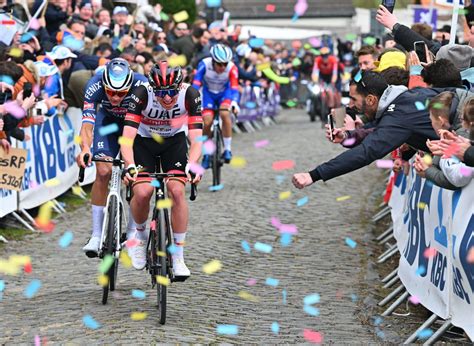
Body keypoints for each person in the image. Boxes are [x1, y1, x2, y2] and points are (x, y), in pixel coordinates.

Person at [292, 71, 443, 189]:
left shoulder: (399, 114)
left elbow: (366, 152)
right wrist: (347, 136)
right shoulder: (403, 99)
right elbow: (376, 128)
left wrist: (313, 175)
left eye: (354, 99)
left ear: (371, 99)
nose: (350, 105)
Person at [121, 61, 203, 277]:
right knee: (143, 191)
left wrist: (193, 165)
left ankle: (178, 256)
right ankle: (139, 236)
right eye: (161, 92)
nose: (167, 98)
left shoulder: (191, 94)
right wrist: (129, 165)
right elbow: (127, 138)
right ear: (152, 89)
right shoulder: (141, 94)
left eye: (171, 92)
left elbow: (196, 140)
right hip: (144, 142)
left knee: (176, 191)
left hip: (173, 142)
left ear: (180, 86)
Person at [77, 58, 148, 257]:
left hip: (135, 125)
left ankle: (133, 231)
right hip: (107, 123)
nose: (115, 97)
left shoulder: (142, 85)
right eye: (110, 92)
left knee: (135, 176)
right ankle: (97, 234)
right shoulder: (94, 85)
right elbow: (87, 125)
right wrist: (84, 148)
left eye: (121, 93)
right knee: (102, 171)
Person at [192, 43, 239, 168]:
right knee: (207, 122)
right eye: (219, 64)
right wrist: (192, 99)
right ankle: (206, 153)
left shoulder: (232, 68)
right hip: (208, 94)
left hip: (225, 93)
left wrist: (234, 102)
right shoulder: (204, 64)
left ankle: (227, 149)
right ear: (213, 61)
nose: (223, 67)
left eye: (225, 64)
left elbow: (234, 87)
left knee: (224, 113)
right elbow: (196, 83)